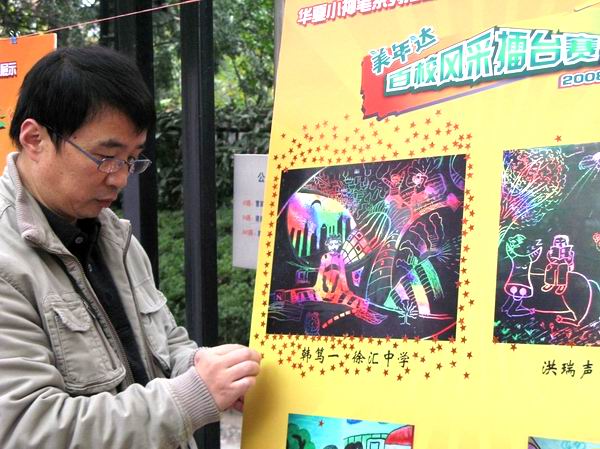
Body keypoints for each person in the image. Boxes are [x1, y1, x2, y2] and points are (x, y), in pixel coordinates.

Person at [0, 46, 260, 449]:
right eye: (106, 157)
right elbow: (25, 427)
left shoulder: (115, 237)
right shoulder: (8, 263)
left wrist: (202, 367)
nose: (120, 179)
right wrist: (189, 398)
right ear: (35, 139)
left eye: (132, 159)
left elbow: (166, 343)